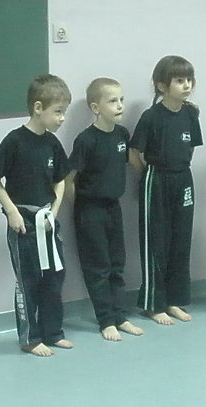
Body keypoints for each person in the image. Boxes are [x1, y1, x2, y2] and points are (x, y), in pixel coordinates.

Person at [0, 74, 73, 357]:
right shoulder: (14, 141)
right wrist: (11, 212)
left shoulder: (53, 144)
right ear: (38, 108)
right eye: (58, 111)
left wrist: (53, 212)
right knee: (28, 281)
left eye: (64, 112)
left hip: (47, 221)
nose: (62, 118)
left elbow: (61, 180)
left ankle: (53, 332)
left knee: (54, 277)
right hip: (22, 222)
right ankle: (30, 337)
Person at [67, 78, 144, 341]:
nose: (120, 105)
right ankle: (106, 320)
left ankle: (120, 316)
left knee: (116, 265)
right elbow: (70, 178)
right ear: (95, 108)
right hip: (90, 210)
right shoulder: (86, 140)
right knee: (98, 267)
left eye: (121, 100)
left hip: (114, 207)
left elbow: (134, 163)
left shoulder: (122, 135)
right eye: (112, 101)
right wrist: (78, 209)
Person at [129, 55, 203, 325]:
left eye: (189, 80)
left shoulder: (190, 114)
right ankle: (154, 303)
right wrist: (149, 178)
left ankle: (174, 300)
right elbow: (134, 153)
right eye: (179, 81)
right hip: (156, 179)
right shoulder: (151, 117)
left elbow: (190, 147)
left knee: (180, 242)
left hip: (183, 179)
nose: (186, 85)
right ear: (161, 85)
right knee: (156, 243)